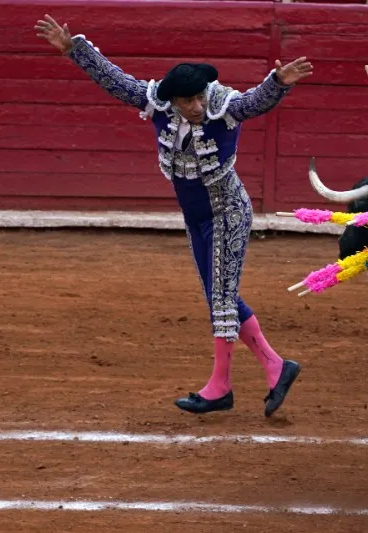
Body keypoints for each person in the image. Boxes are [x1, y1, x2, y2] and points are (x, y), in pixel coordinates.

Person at [34, 15, 312, 417]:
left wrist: (278, 83)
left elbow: (254, 102)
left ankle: (221, 388)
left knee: (220, 299)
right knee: (220, 297)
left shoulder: (223, 107)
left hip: (226, 212)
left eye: (200, 97)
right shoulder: (158, 103)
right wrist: (74, 49)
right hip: (196, 217)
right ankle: (275, 365)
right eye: (188, 102)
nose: (197, 107)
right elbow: (117, 81)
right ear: (174, 101)